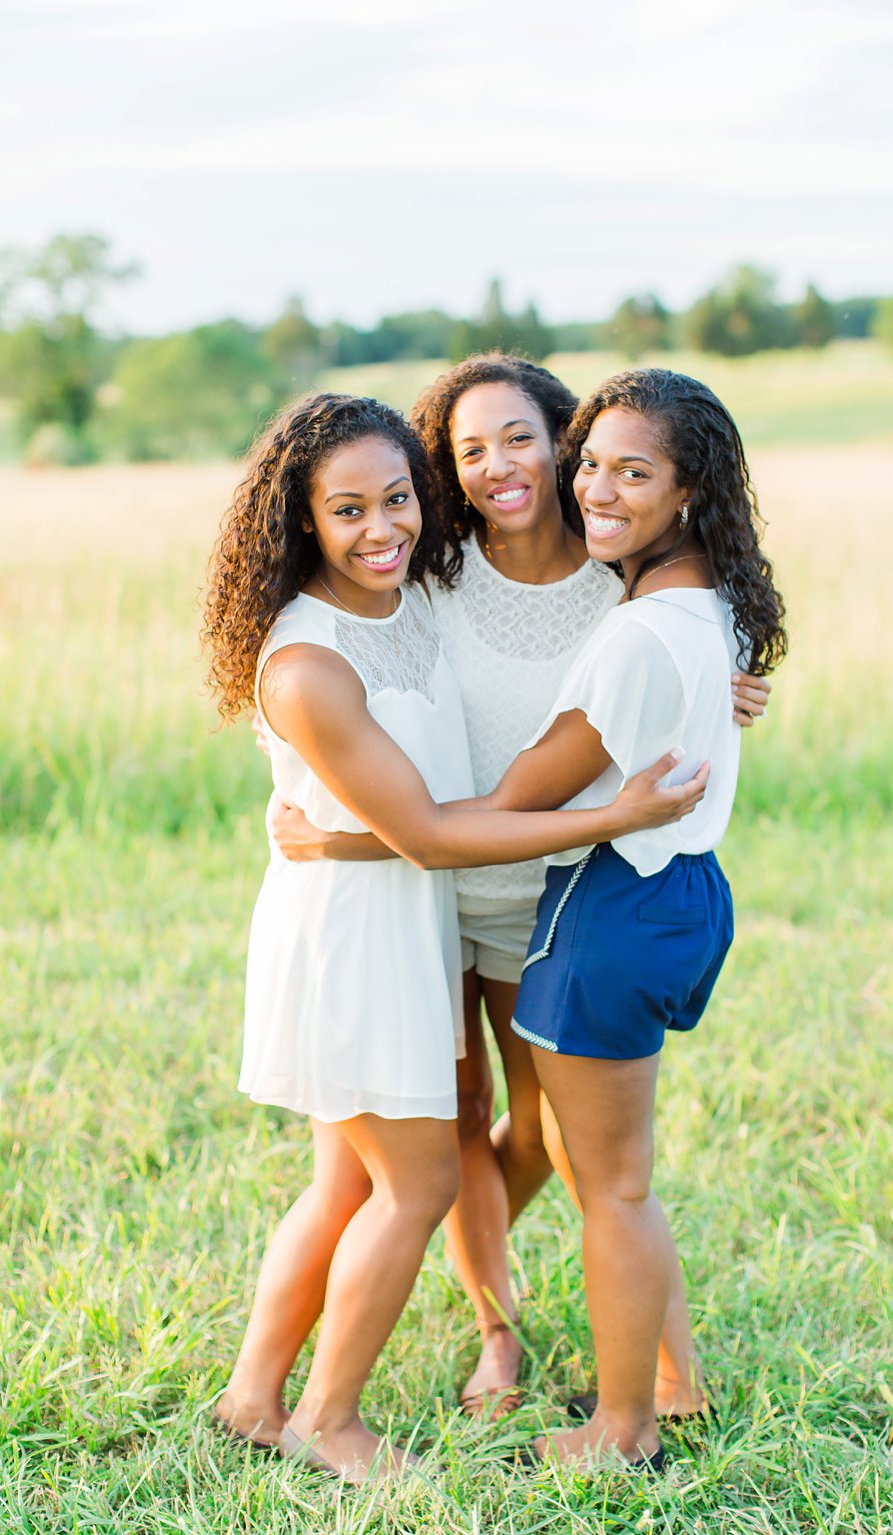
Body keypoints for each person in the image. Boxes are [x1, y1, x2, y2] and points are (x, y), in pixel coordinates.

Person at [200, 393, 707, 1484]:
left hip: (404, 921)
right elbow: (424, 829)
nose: (382, 526)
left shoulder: (408, 599)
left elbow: (658, 637)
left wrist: (724, 684)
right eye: (349, 509)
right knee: (415, 1182)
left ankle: (253, 1396)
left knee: (349, 1180)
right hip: (361, 939)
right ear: (300, 520)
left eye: (397, 499)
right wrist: (611, 814)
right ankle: (329, 1418)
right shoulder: (311, 661)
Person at [500, 367, 786, 1470]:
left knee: (610, 1183)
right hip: (681, 890)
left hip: (612, 897)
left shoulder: (635, 635)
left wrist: (379, 822)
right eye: (590, 464)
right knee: (608, 1171)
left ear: (687, 491)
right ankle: (677, 1384)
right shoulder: (707, 606)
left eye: (633, 471)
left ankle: (621, 1429)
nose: (596, 487)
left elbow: (528, 791)